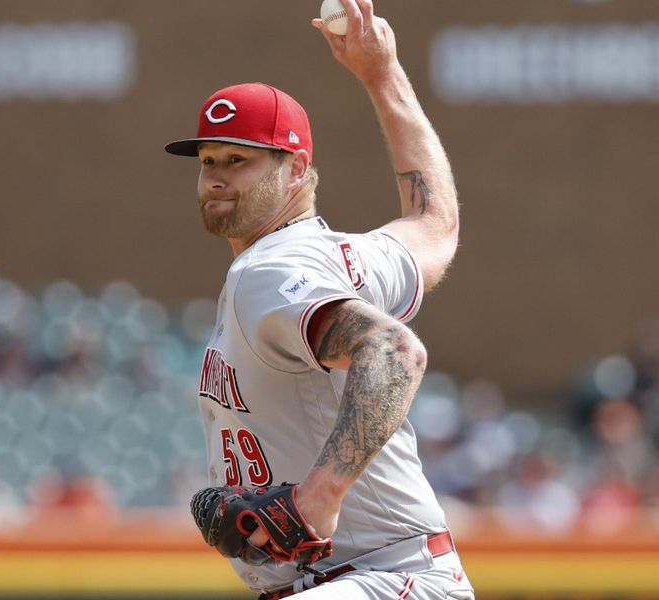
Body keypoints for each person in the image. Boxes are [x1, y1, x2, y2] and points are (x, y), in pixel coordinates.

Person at [165, 1, 472, 598]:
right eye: (208, 162)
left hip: (377, 576)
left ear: (296, 170)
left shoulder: (271, 271)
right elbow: (435, 223)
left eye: (240, 160)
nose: (217, 177)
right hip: (393, 577)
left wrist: (321, 493)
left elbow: (393, 352)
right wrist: (383, 76)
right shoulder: (342, 258)